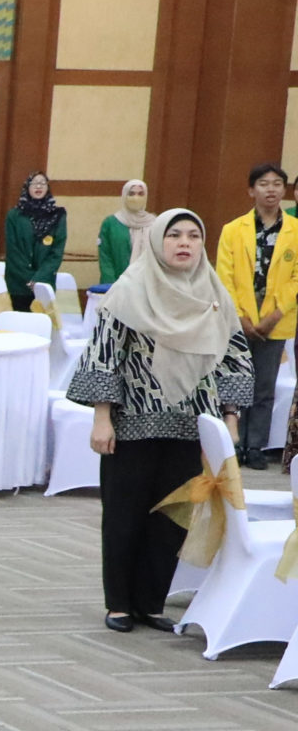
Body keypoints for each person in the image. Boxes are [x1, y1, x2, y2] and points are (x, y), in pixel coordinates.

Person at [69, 208, 248, 632]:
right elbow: (104, 355)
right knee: (124, 514)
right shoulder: (129, 290)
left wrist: (230, 419)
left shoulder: (214, 295)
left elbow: (234, 358)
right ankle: (119, 604)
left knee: (173, 518)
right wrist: (102, 418)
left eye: (193, 236)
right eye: (174, 235)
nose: (184, 243)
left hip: (191, 425)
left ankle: (151, 603)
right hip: (132, 424)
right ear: (156, 241)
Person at [215, 163, 292, 467]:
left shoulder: (295, 230)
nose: (270, 189)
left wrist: (275, 314)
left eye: (276, 184)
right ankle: (233, 443)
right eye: (263, 183)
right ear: (251, 190)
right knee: (235, 381)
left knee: (264, 386)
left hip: (277, 318)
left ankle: (256, 445)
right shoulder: (233, 230)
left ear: (284, 190)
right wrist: (240, 316)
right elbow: (224, 276)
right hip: (239, 320)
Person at [2, 171, 68, 305]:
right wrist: (29, 279)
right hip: (18, 285)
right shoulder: (14, 216)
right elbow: (13, 251)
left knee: (42, 317)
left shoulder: (57, 216)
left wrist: (39, 278)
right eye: (34, 183)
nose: (39, 187)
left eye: (43, 183)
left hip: (44, 283)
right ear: (27, 187)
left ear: (48, 187)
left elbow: (56, 253)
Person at [99, 179, 154, 288]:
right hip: (117, 284)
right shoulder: (111, 223)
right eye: (131, 194)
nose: (136, 198)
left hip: (147, 285)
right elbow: (105, 257)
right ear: (124, 196)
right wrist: (111, 285)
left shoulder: (154, 223)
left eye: (140, 194)